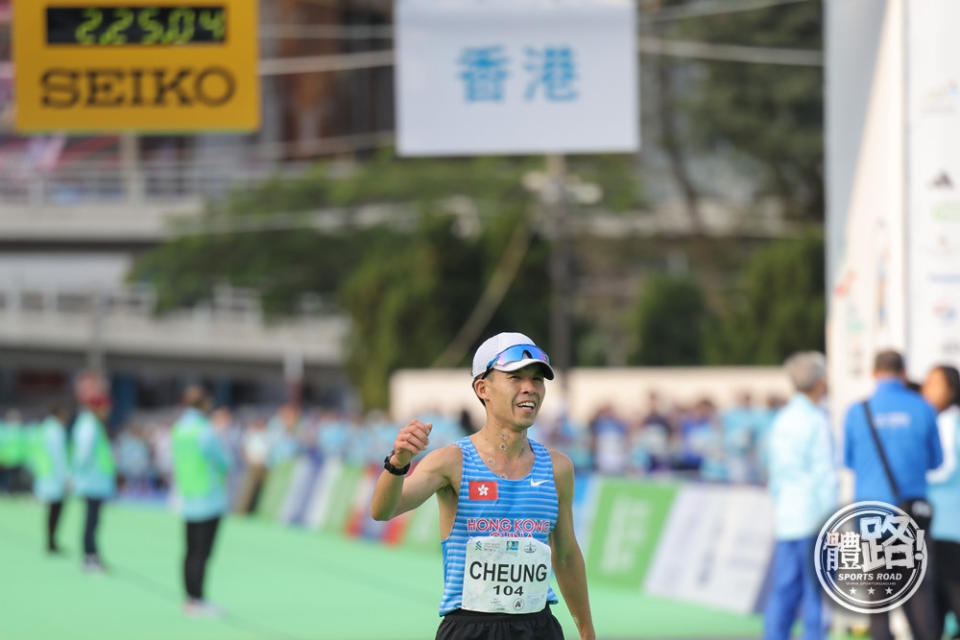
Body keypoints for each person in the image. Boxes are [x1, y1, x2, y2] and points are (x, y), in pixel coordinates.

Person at [370, 332, 595, 640]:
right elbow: (383, 510)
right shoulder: (452, 461)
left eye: (537, 379)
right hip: (470, 628)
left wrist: (586, 630)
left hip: (539, 625)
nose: (530, 388)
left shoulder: (558, 468)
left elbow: (567, 555)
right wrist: (398, 462)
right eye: (515, 377)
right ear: (483, 388)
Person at [843, 349, 942, 640]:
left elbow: (848, 460)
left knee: (879, 596)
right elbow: (935, 460)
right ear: (903, 373)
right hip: (911, 513)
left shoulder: (857, 411)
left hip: (871, 516)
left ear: (874, 374)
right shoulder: (923, 408)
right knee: (919, 591)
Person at [764, 352, 836, 640]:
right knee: (815, 592)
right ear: (819, 382)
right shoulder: (816, 421)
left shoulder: (781, 420)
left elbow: (774, 471)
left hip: (787, 517)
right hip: (813, 516)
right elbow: (824, 474)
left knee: (783, 590)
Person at [171, 385, 231, 616]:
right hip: (208, 496)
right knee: (202, 552)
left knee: (189, 550)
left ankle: (189, 597)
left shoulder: (179, 429)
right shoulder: (204, 430)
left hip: (188, 494)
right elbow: (223, 460)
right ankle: (198, 599)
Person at [923, 364, 960, 640]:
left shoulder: (948, 422)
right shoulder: (939, 420)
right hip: (939, 526)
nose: (927, 388)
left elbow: (943, 468)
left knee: (948, 595)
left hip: (948, 527)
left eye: (934, 383)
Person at [71, 370, 116, 572]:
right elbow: (83, 454)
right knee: (91, 521)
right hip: (91, 481)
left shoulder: (94, 423)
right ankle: (89, 556)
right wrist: (76, 475)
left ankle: (92, 554)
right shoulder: (89, 424)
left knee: (93, 521)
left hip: (96, 481)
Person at [33, 403, 70, 555]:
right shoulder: (56, 430)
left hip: (45, 474)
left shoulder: (44, 428)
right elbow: (59, 456)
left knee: (51, 511)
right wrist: (66, 476)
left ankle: (50, 541)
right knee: (55, 511)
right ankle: (51, 542)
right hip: (54, 476)